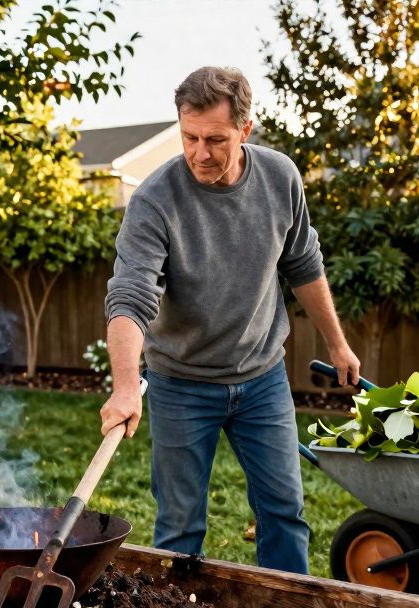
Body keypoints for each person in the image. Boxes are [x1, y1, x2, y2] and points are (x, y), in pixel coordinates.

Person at [100, 66, 361, 574]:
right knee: (179, 527)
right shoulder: (155, 199)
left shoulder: (280, 177)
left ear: (244, 129)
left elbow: (303, 263)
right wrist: (127, 387)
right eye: (189, 137)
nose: (200, 152)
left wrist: (338, 344)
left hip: (261, 378)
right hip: (181, 383)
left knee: (285, 513)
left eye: (215, 139)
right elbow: (131, 297)